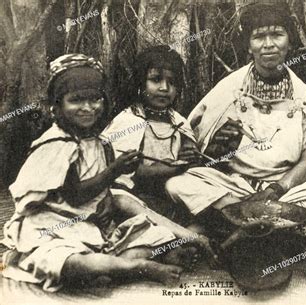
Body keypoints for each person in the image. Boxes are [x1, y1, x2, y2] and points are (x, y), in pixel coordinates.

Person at [1, 54, 213, 292]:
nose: (87, 108)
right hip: (54, 227)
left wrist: (108, 202)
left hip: (92, 227)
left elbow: (105, 191)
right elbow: (75, 196)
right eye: (76, 101)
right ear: (56, 105)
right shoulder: (58, 145)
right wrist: (115, 171)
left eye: (95, 100)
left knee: (154, 236)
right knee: (72, 263)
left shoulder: (100, 143)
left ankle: (125, 264)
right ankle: (136, 267)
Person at [165, 3, 306, 235]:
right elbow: (196, 143)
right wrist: (219, 147)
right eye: (259, 37)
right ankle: (273, 228)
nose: (268, 45)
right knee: (178, 184)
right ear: (248, 46)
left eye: (277, 34)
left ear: (290, 41)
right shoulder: (229, 90)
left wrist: (276, 189)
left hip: (285, 189)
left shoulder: (305, 97)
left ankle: (232, 225)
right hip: (235, 187)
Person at [102, 46, 199, 216]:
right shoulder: (129, 121)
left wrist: (190, 154)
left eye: (172, 82)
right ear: (141, 83)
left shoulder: (180, 122)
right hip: (136, 195)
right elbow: (127, 172)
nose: (164, 88)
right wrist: (172, 168)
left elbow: (192, 159)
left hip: (172, 193)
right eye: (156, 80)